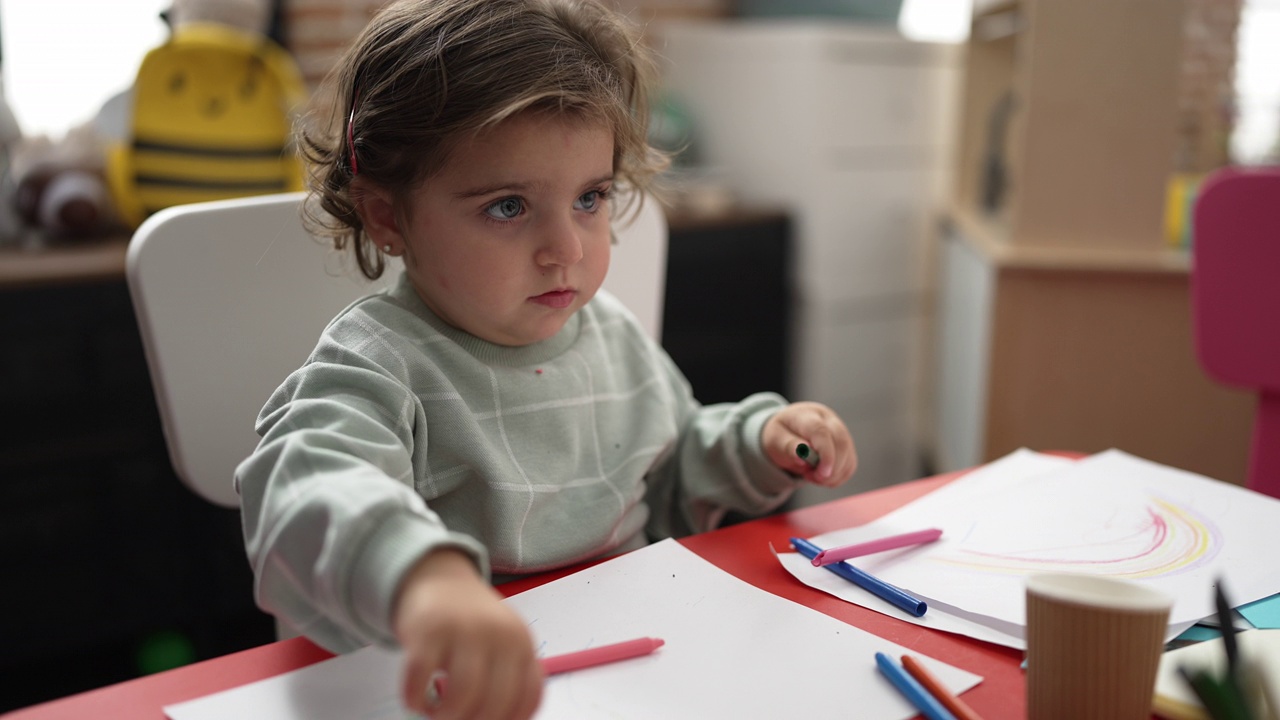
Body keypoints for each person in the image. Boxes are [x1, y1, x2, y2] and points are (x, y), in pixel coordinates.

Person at [234, 1, 858, 718]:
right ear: (387, 217)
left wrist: (758, 445)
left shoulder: (610, 334)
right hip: (458, 690)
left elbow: (674, 472)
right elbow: (308, 488)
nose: (566, 248)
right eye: (508, 207)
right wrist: (425, 582)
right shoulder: (377, 363)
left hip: (638, 669)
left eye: (590, 197)